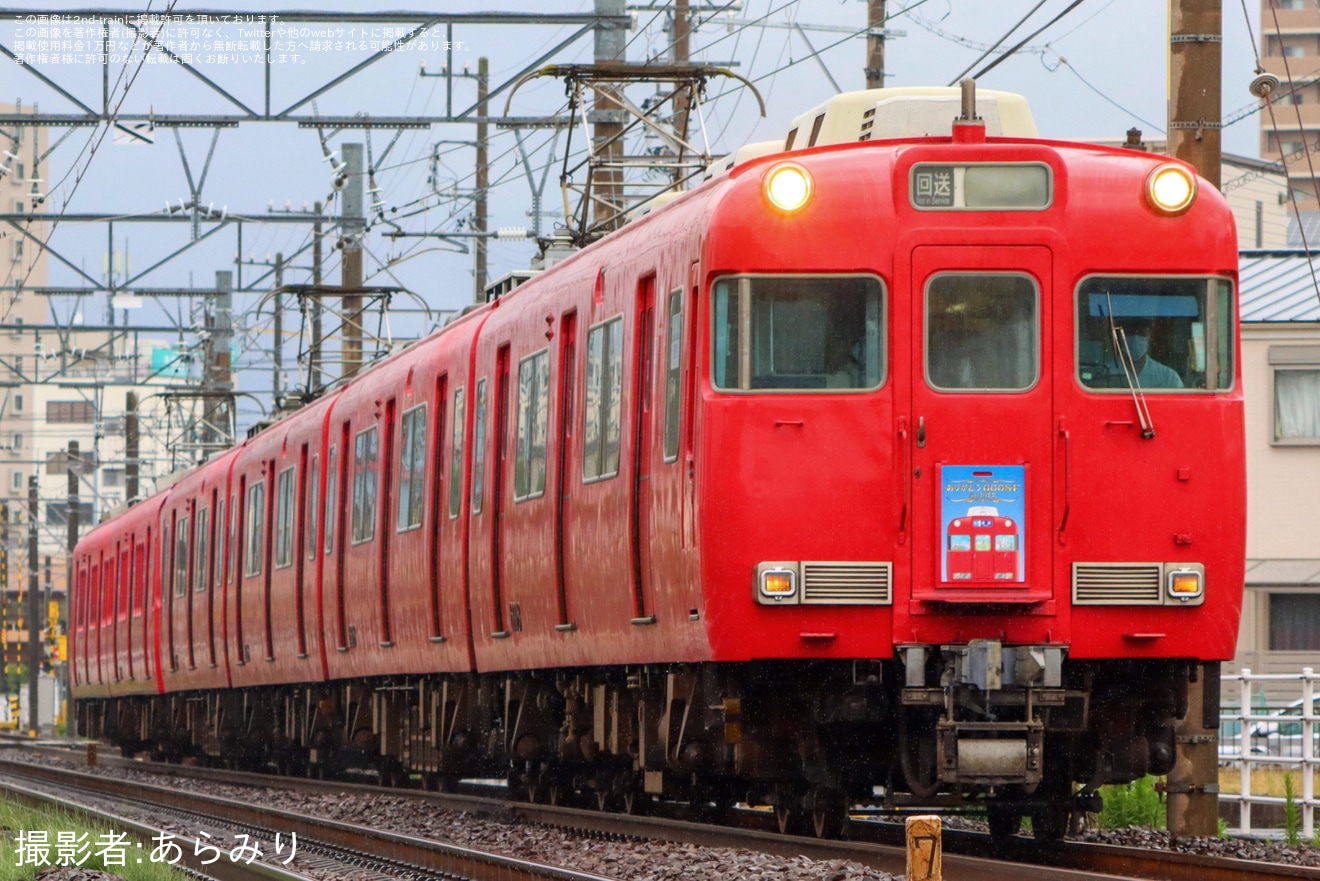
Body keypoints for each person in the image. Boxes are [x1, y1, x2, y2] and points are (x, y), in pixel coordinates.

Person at [1112, 317, 1183, 389]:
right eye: (1130, 332)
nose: (1135, 338)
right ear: (1119, 336)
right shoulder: (1106, 372)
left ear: (1151, 336)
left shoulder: (1169, 378)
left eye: (1141, 332)